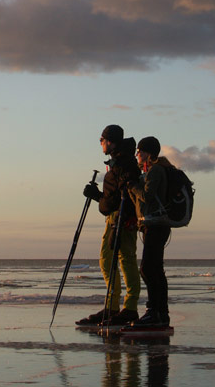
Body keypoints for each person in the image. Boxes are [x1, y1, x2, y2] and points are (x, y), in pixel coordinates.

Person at [76, 125, 141, 326]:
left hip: (123, 219)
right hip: (115, 218)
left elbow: (120, 198)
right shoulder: (119, 162)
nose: (100, 143)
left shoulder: (123, 163)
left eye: (102, 139)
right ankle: (113, 307)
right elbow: (112, 198)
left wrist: (98, 198)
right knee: (108, 260)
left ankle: (129, 308)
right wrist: (99, 197)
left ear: (110, 141)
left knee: (125, 260)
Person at [127, 136, 173, 328]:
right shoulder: (149, 171)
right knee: (155, 269)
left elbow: (146, 196)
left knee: (148, 269)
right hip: (151, 225)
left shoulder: (155, 170)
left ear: (148, 153)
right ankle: (160, 313)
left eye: (140, 151)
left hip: (156, 225)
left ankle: (154, 311)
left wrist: (133, 185)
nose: (137, 155)